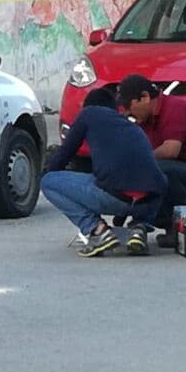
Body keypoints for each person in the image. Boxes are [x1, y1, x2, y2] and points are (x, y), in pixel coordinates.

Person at [41, 86, 167, 257]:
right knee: (145, 182)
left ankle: (98, 231)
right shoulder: (132, 127)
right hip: (149, 201)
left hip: (115, 197)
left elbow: (65, 154)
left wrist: (49, 171)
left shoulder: (88, 114)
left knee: (49, 182)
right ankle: (139, 229)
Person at [116, 74, 186, 247]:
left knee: (156, 170)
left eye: (130, 108)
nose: (129, 114)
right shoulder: (144, 120)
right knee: (142, 172)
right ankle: (153, 220)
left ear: (145, 97)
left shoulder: (175, 108)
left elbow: (171, 149)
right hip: (181, 175)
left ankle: (174, 226)